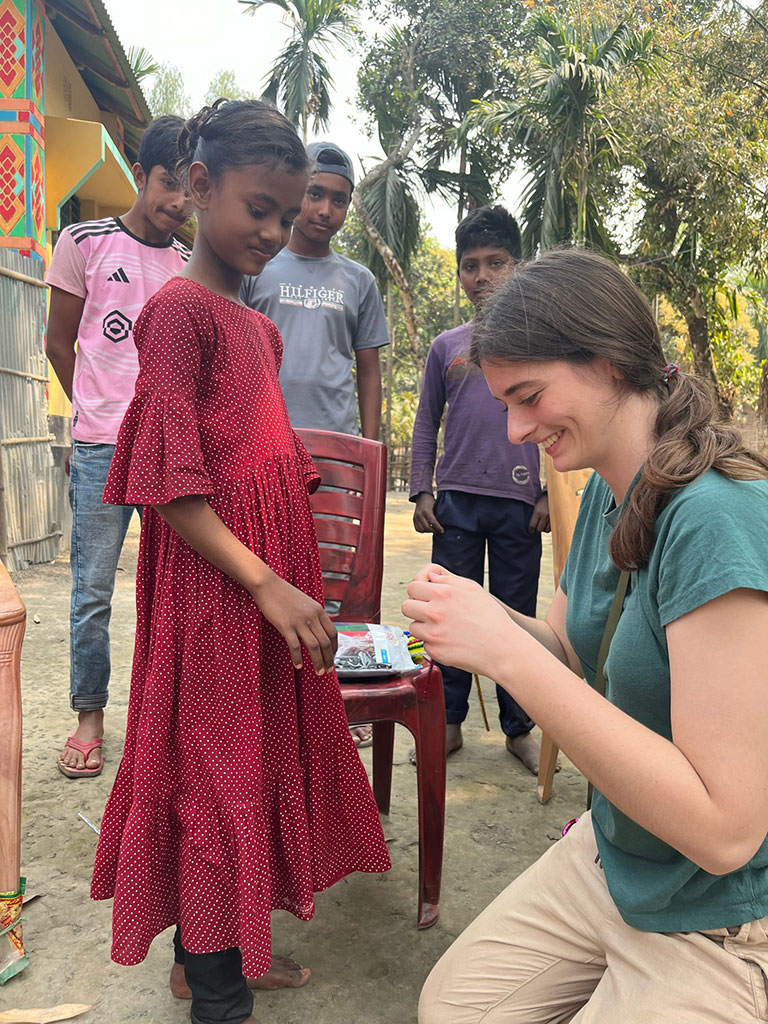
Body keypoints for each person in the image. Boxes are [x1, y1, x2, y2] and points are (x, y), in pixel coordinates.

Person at [405, 248, 768, 1024]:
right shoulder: (610, 489)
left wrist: (503, 656)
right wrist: (486, 616)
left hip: (719, 912)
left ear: (606, 363)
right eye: (505, 402)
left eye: (528, 397)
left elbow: (727, 830)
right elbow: (572, 654)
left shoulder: (716, 518)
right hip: (617, 854)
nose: (514, 429)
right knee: (454, 1010)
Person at [90, 100, 391, 1024]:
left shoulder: (254, 325)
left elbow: (271, 470)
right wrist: (264, 581)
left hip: (265, 596)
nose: (274, 228)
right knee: (216, 777)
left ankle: (221, 948)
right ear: (200, 187)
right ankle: (217, 993)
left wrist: (297, 577)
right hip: (219, 599)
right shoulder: (178, 314)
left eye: (287, 211)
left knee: (248, 768)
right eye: (258, 208)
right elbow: (172, 488)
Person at [45, 116, 193, 778]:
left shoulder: (189, 265)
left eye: (190, 190)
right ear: (141, 174)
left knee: (175, 594)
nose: (177, 204)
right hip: (103, 446)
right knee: (93, 591)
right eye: (167, 184)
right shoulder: (82, 242)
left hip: (167, 455)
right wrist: (92, 413)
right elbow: (59, 341)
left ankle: (167, 724)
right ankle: (90, 718)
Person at [242, 140, 389, 749]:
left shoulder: (358, 281)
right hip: (265, 446)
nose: (325, 209)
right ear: (297, 194)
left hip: (335, 456)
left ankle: (332, 705)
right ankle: (271, 700)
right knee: (270, 569)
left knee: (333, 579)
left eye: (339, 200)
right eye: (316, 194)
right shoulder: (259, 268)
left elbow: (369, 371)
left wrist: (371, 452)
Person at [409, 206, 550, 773]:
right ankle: (447, 723)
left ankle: (520, 729)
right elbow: (425, 423)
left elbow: (558, 420)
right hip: (456, 506)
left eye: (497, 262)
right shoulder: (448, 347)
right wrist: (422, 489)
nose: (483, 276)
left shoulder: (542, 344)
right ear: (460, 273)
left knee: (517, 618)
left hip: (521, 507)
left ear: (518, 266)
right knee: (449, 619)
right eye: (471, 266)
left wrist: (548, 495)